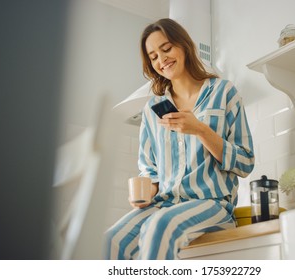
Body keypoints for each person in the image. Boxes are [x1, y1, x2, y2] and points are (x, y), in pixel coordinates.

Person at [105, 18, 255, 260]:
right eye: (153, 57)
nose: (161, 59)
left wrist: (201, 130)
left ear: (183, 45)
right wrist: (146, 189)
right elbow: (149, 169)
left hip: (213, 204)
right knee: (111, 241)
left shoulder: (224, 92)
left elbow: (245, 162)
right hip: (164, 205)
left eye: (166, 49)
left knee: (160, 226)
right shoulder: (153, 108)